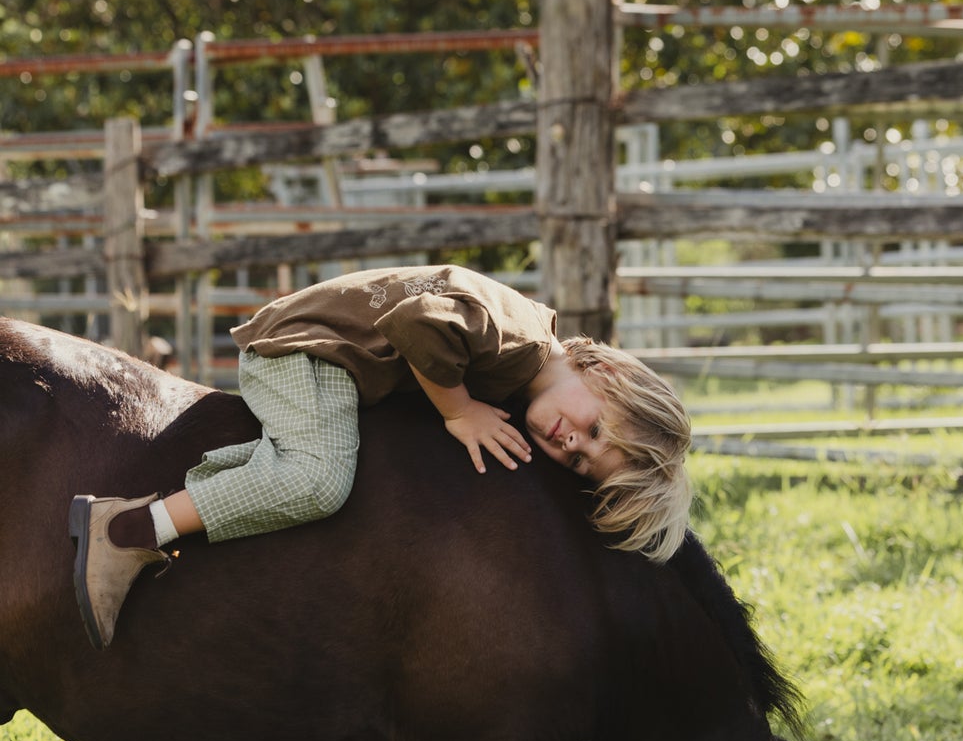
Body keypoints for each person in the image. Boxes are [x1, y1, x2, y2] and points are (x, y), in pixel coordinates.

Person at [70, 264, 692, 649]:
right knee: (318, 480)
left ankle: (229, 490)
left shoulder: (527, 363)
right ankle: (128, 531)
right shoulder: (519, 338)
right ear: (604, 372)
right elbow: (416, 319)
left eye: (582, 461)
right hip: (305, 351)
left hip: (327, 361)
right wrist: (457, 411)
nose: (570, 444)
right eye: (594, 428)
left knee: (311, 471)